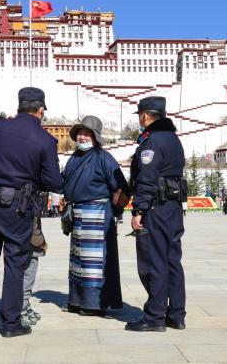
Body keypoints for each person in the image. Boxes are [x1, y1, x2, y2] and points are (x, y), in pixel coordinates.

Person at [0, 87, 63, 338]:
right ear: (41, 110)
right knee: (15, 264)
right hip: (19, 208)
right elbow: (54, 182)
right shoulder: (45, 140)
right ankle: (10, 323)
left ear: (18, 107)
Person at [126, 96, 186, 333]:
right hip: (172, 208)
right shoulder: (173, 139)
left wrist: (139, 209)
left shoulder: (151, 142)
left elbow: (148, 180)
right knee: (172, 260)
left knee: (153, 260)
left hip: (155, 208)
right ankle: (176, 314)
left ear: (144, 115)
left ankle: (154, 316)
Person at [61, 115, 130, 317]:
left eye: (86, 133)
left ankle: (94, 304)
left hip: (98, 214)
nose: (81, 137)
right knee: (78, 261)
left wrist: (114, 211)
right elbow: (63, 181)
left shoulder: (104, 158)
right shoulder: (74, 158)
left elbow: (121, 187)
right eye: (79, 133)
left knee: (94, 263)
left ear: (95, 137)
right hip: (77, 214)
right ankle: (76, 300)